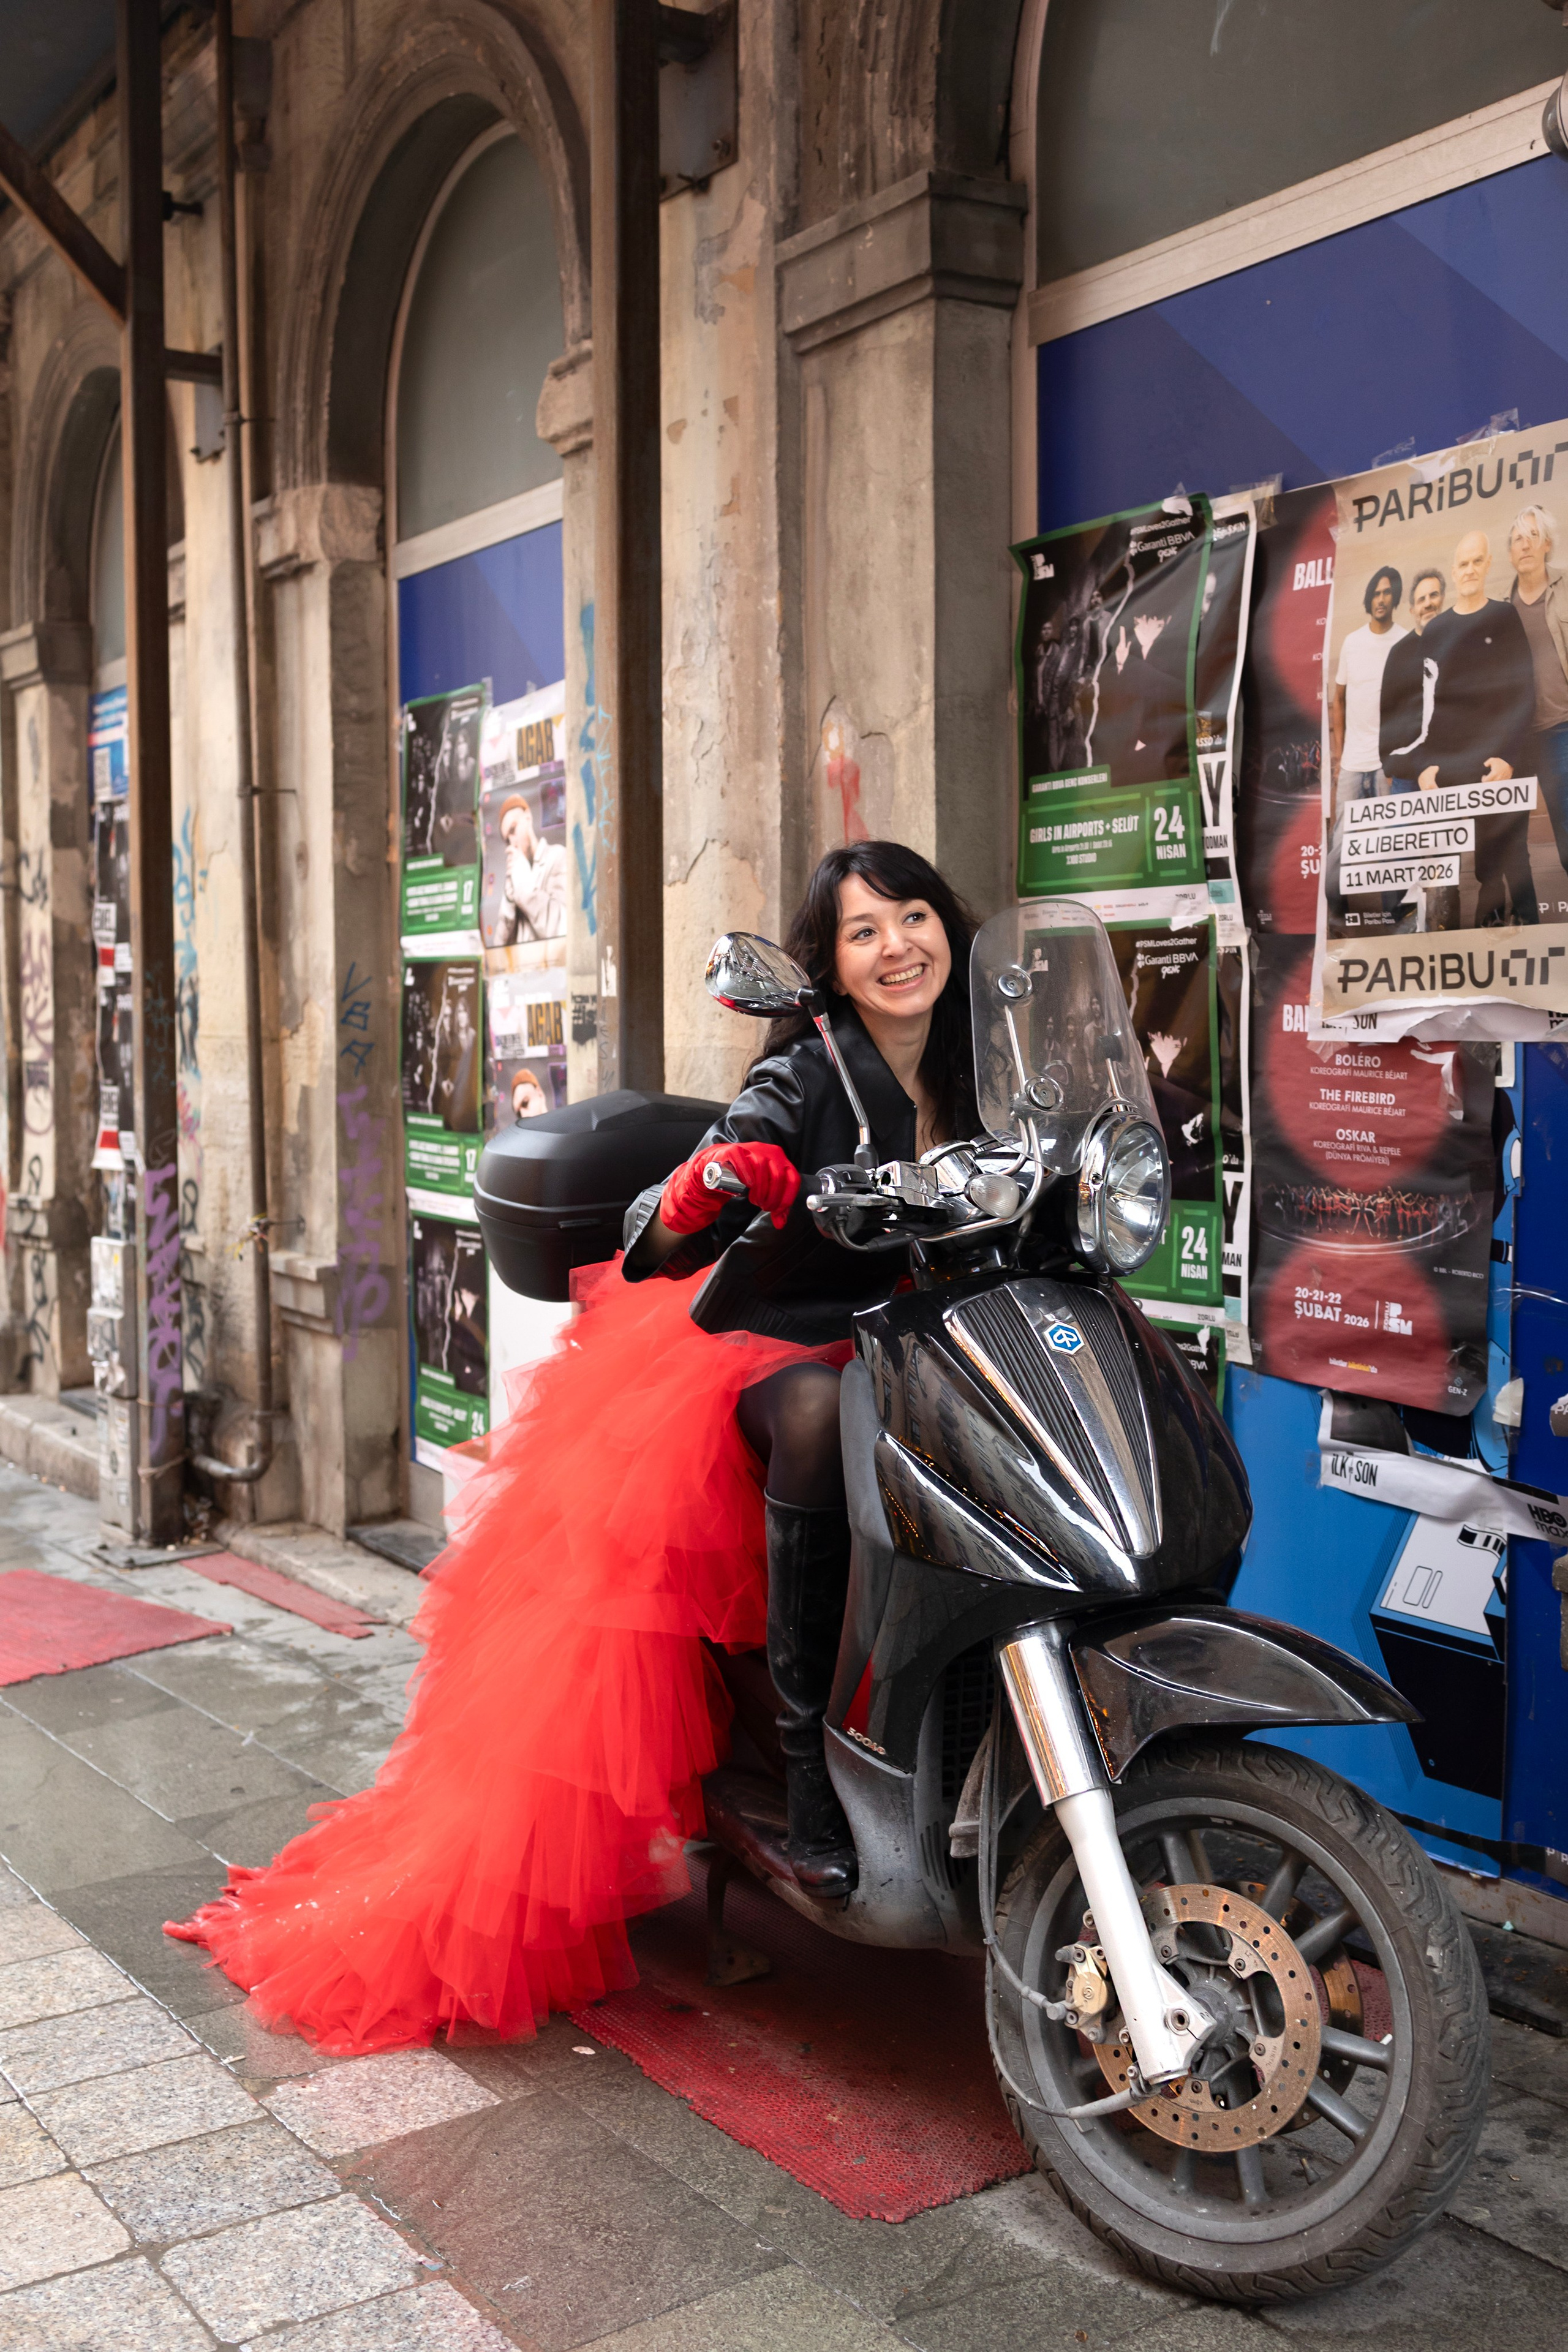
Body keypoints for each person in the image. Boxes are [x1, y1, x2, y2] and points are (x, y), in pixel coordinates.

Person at [167, 840, 976, 2054]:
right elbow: (658, 1235)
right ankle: (808, 1769)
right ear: (832, 966)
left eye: (913, 915)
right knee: (819, 1415)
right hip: (767, 1344)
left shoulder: (979, 1063)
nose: (897, 945)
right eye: (864, 931)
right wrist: (711, 1183)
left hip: (920, 1338)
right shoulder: (809, 1074)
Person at [1382, 530, 1537, 927]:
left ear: (1488, 565)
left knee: (1513, 854)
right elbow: (1432, 711)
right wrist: (1424, 766)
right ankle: (1470, 940)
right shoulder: (1437, 631)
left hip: (1499, 763)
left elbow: (1523, 695)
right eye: (1463, 563)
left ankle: (1534, 940)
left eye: (1477, 561)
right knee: (1456, 863)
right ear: (1455, 571)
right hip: (1452, 768)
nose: (1470, 570)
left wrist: (1508, 758)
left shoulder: (1504, 616)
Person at [1325, 566, 1406, 928]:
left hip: (1388, 763)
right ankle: (1334, 908)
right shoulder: (1353, 642)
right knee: (1342, 839)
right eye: (1376, 592)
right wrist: (1340, 754)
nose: (1381, 599)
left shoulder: (1405, 642)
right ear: (1369, 598)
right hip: (1354, 762)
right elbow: (1338, 698)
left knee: (1392, 838)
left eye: (1388, 592)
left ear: (1395, 598)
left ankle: (1394, 909)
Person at [1507, 503, 1568, 907]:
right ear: (1510, 554)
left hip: (1562, 730)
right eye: (1516, 539)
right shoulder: (1500, 609)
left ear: (1546, 544)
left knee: (1567, 832)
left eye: (1532, 536)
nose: (1524, 545)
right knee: (1509, 838)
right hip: (1517, 739)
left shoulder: (1565, 589)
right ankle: (1527, 920)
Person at [492, 795, 568, 946]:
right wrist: (508, 904)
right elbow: (499, 947)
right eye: (507, 840)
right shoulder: (515, 876)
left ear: (528, 817)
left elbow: (563, 928)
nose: (512, 843)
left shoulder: (558, 857)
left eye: (513, 830)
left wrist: (524, 890)